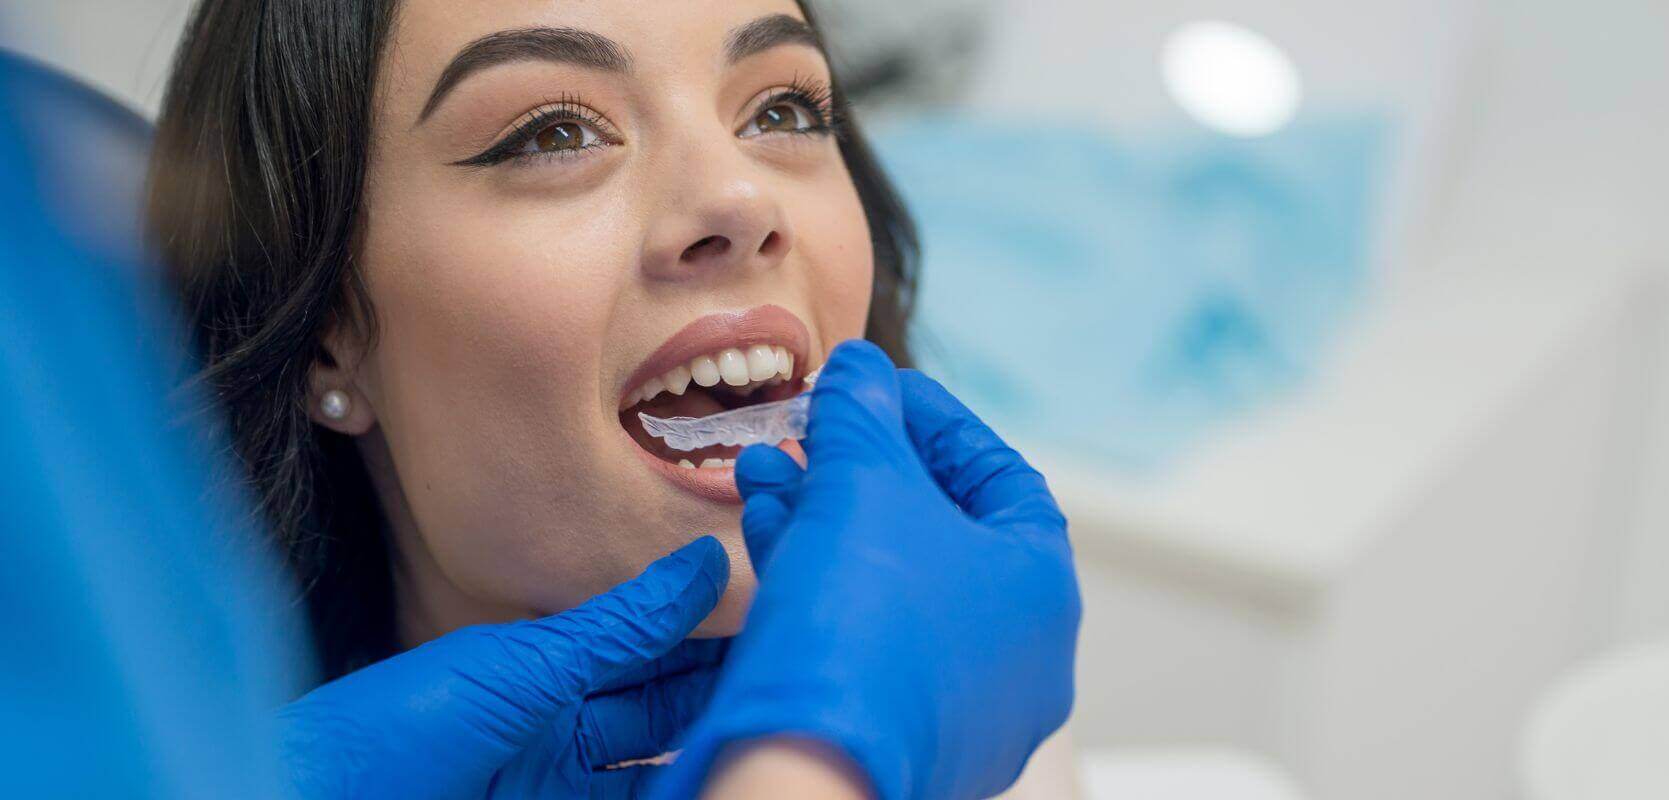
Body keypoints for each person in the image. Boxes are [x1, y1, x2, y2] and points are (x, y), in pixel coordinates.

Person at [143, 0, 1081, 797]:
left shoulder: (984, 735)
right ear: (323, 339)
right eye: (555, 133)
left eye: (783, 110)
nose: (741, 200)